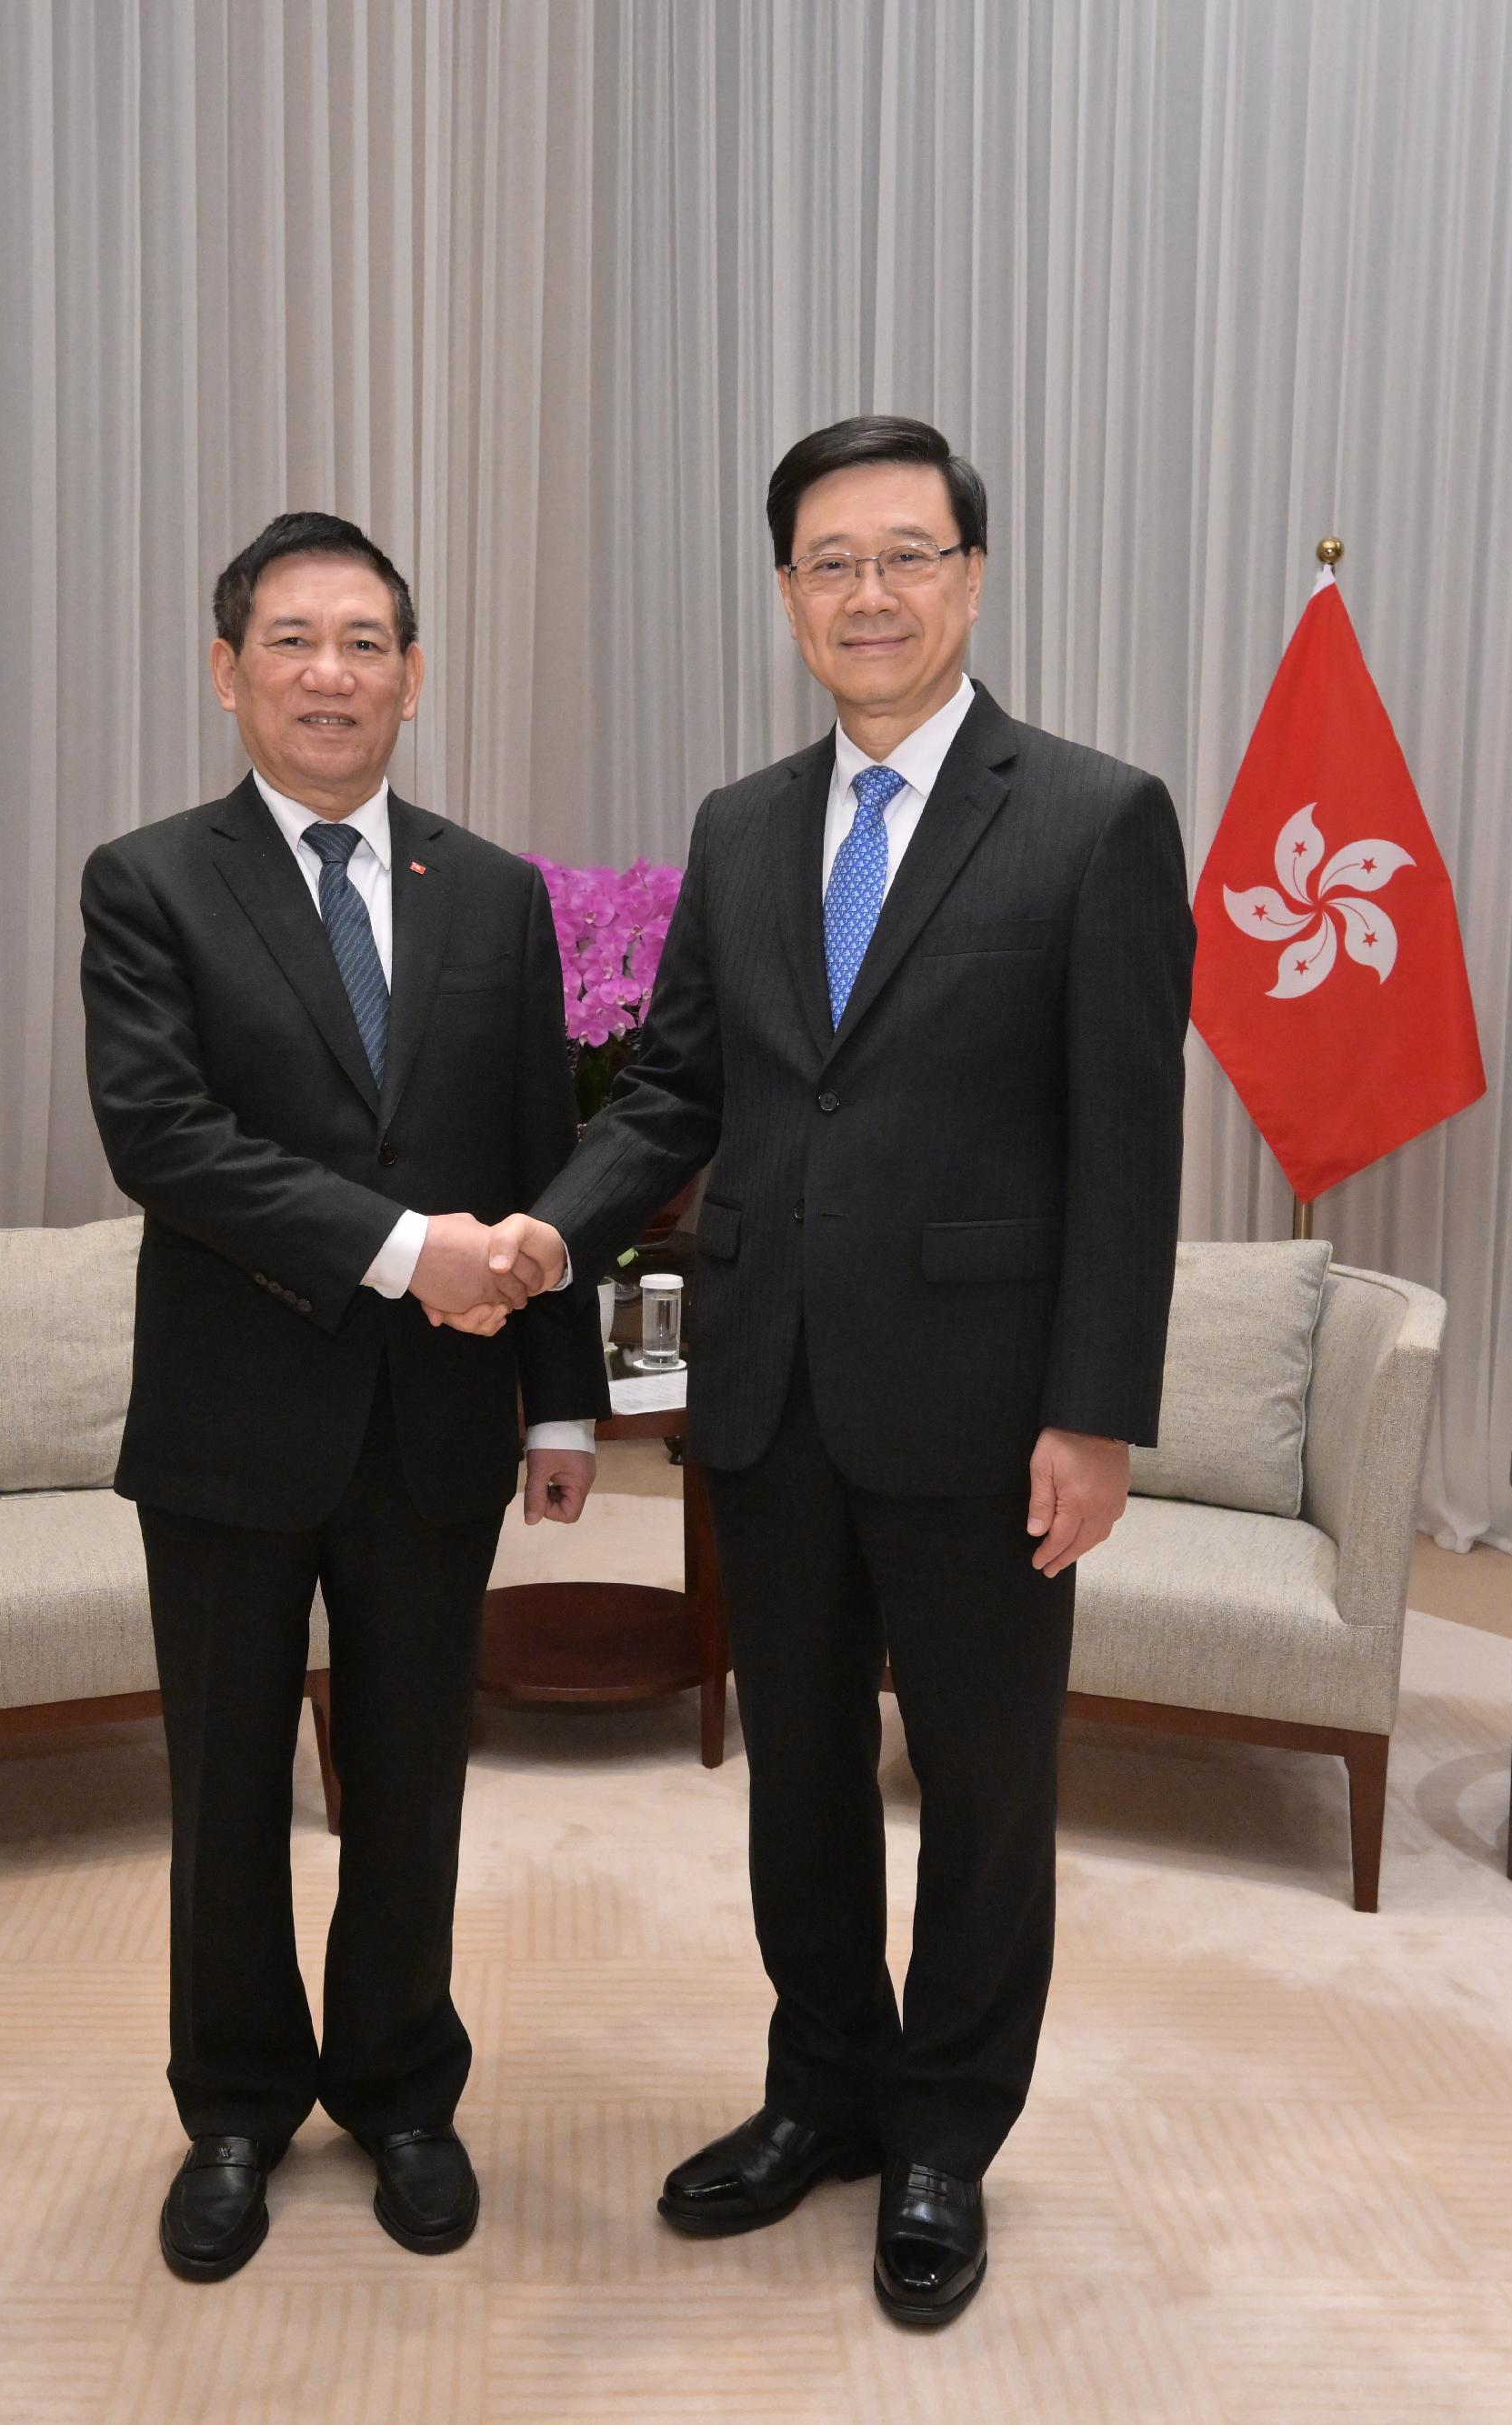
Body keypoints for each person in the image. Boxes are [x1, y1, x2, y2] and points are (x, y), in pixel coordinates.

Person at [497, 416, 1190, 2327]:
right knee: (793, 1775)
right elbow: (678, 1092)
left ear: (969, 577)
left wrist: (1096, 1408)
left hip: (987, 1404)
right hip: (768, 1391)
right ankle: (821, 2087)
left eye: (904, 554)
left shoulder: (1092, 813)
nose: (866, 592)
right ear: (785, 592)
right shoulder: (739, 824)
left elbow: (1127, 1148)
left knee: (975, 1782)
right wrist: (554, 1230)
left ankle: (945, 2130)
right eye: (827, 559)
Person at [80, 511, 604, 2284]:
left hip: (439, 1425)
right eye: (292, 640)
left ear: (413, 673)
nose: (330, 672)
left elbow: (541, 1153)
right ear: (226, 670)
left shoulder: (498, 892)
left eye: (365, 640)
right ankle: (232, 2099)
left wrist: (558, 1399)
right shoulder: (147, 881)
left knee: (407, 1777)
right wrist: (397, 1247)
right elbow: (165, 1139)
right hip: (232, 1421)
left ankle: (398, 2083)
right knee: (225, 1783)